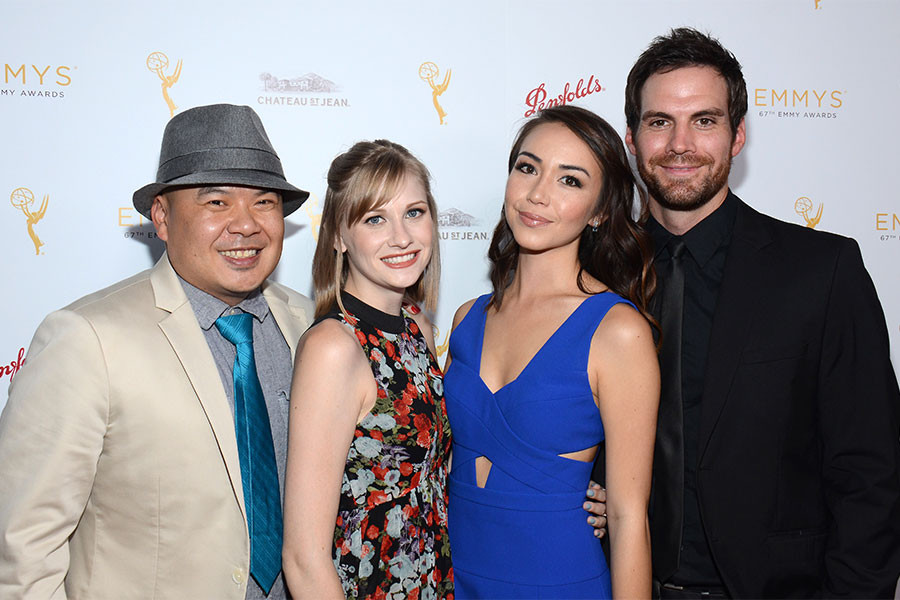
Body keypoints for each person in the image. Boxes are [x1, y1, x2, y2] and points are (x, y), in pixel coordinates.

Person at [623, 28, 900, 598]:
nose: (680, 144)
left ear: (738, 134)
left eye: (704, 120)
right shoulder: (598, 275)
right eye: (659, 122)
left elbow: (871, 470)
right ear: (632, 138)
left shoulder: (821, 271)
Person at [0, 104, 314, 600]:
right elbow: (22, 550)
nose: (246, 225)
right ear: (162, 218)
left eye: (265, 202)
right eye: (216, 202)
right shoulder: (86, 338)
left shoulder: (312, 325)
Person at [443, 105, 660, 599]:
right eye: (528, 167)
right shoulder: (467, 319)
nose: (537, 193)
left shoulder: (617, 331)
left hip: (557, 581)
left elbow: (628, 519)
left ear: (601, 211)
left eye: (570, 181)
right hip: (453, 579)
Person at [281, 140, 453, 599]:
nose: (402, 237)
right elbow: (303, 558)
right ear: (338, 236)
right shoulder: (334, 348)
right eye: (375, 219)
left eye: (414, 212)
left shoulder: (417, 327)